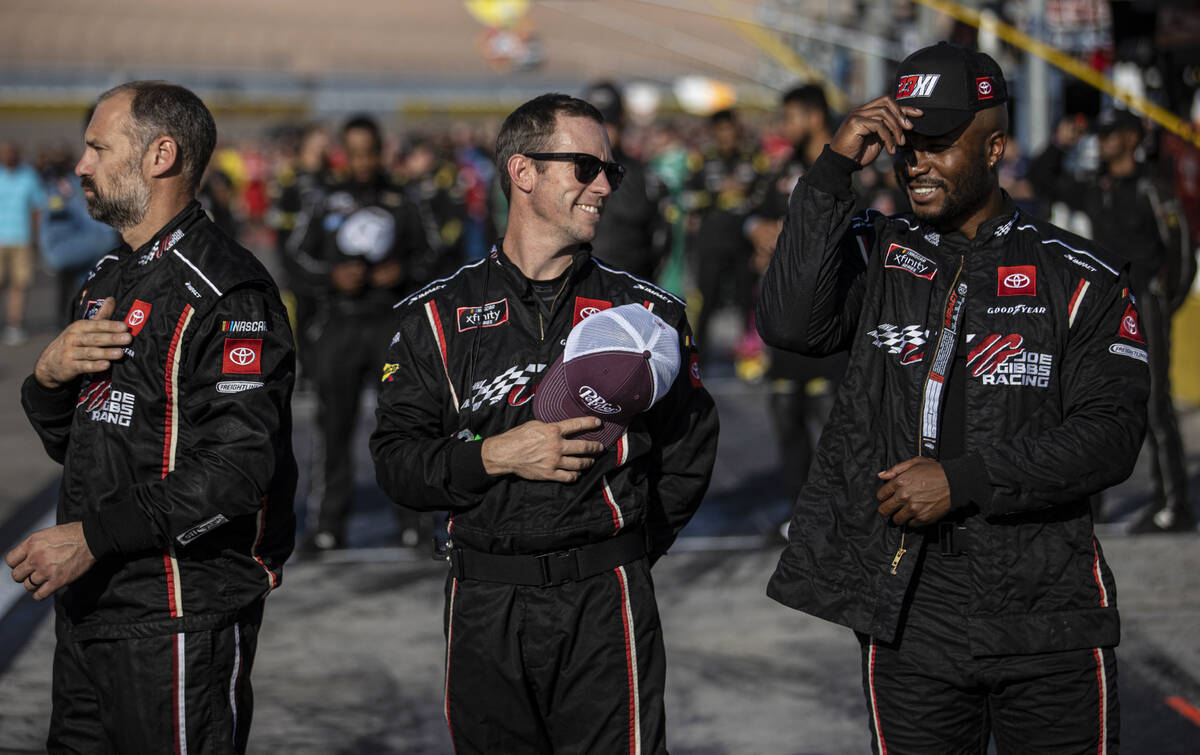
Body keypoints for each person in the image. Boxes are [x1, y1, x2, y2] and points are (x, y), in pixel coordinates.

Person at [758, 43, 1149, 752]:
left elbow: (1112, 434)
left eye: (938, 146)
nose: (916, 165)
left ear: (995, 145)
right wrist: (833, 168)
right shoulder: (879, 252)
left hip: (1048, 612)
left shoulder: (1079, 276)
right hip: (906, 609)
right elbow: (788, 322)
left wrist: (963, 480)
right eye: (906, 146)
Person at [370, 93, 718, 753]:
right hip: (483, 606)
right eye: (585, 167)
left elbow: (689, 454)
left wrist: (622, 553)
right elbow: (396, 464)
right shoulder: (433, 318)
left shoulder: (648, 316)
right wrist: (494, 456)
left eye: (611, 170)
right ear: (522, 172)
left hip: (607, 600)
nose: (604, 186)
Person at [7, 81, 297, 753]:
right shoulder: (106, 277)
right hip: (87, 612)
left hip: (174, 618)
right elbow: (84, 444)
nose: (80, 165)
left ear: (160, 155)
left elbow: (236, 472)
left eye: (97, 147)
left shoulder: (228, 290)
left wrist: (93, 536)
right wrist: (48, 381)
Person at [1031, 109, 1195, 532]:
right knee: (1093, 404)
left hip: (1147, 305)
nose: (1101, 142)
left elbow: (1181, 253)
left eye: (1109, 135)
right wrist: (1061, 141)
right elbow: (1041, 176)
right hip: (1105, 307)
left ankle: (1174, 505)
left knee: (1156, 406)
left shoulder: (1151, 187)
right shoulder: (1096, 186)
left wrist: (1163, 301)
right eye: (1099, 135)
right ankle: (1093, 506)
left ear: (1130, 139)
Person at [296, 115, 429, 552]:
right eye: (354, 153)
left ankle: (412, 521)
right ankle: (328, 523)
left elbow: (433, 256)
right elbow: (295, 257)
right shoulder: (324, 200)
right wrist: (332, 277)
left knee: (404, 423)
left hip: (390, 326)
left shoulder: (403, 198)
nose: (363, 162)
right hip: (340, 325)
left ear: (381, 152)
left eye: (369, 152)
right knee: (333, 427)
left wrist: (404, 271)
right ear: (343, 155)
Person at [744, 84, 847, 507]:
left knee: (833, 428)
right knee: (787, 420)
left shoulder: (853, 167)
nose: (784, 127)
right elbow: (752, 214)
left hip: (837, 321)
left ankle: (839, 517)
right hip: (787, 322)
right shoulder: (782, 169)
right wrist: (755, 230)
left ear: (814, 116)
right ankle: (796, 514)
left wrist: (794, 239)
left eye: (790, 117)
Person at [683, 108, 767, 361]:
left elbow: (765, 196)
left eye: (729, 129)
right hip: (712, 242)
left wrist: (745, 196)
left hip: (744, 243)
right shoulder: (703, 160)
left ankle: (749, 356)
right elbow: (687, 198)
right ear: (714, 132)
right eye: (720, 130)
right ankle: (700, 357)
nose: (726, 135)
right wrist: (715, 195)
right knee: (706, 299)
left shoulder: (754, 159)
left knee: (746, 299)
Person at [583, 81, 671, 281]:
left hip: (631, 289)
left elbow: (662, 240)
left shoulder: (645, 178)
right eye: (593, 123)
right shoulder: (567, 174)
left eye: (608, 122)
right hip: (579, 290)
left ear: (621, 121)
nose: (601, 131)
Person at [0, 139, 46, 344]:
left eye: (11, 152)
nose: (8, 155)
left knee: (19, 284)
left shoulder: (29, 176)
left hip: (21, 237)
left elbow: (37, 208)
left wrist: (37, 237)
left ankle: (14, 324)